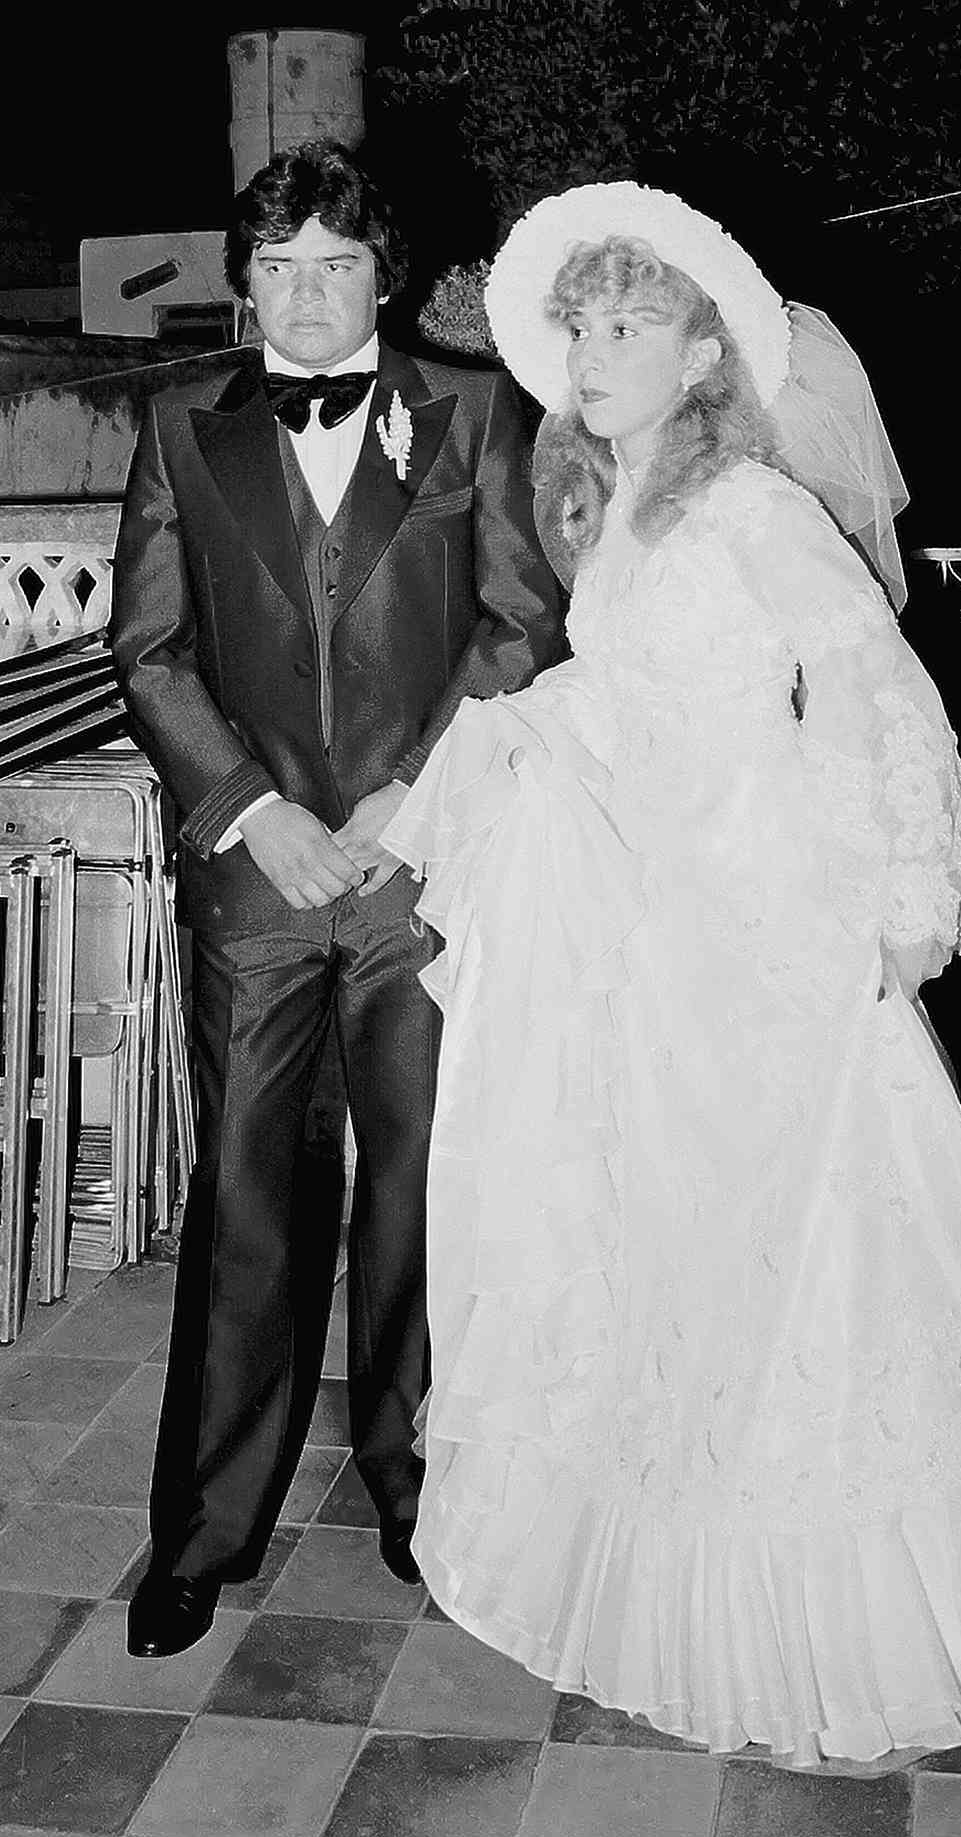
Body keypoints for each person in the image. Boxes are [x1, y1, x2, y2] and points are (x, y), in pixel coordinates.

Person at [377, 181, 961, 1772]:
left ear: (699, 360)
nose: (594, 351)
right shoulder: (624, 512)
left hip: (779, 937)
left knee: (828, 1266)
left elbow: (888, 689)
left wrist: (912, 884)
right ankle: (697, 1574)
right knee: (691, 1264)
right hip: (668, 942)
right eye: (581, 326)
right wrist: (520, 744)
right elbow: (635, 703)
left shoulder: (756, 507)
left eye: (630, 325)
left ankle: (871, 1618)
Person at [110, 140, 564, 1658]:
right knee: (243, 1199)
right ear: (244, 288)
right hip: (254, 887)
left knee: (426, 1191)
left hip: (419, 879)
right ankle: (206, 1528)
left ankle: (421, 1481)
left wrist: (400, 801)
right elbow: (150, 651)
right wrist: (251, 812)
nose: (308, 300)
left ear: (385, 272)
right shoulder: (178, 424)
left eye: (337, 266)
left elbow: (517, 621)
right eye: (279, 271)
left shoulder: (476, 410)